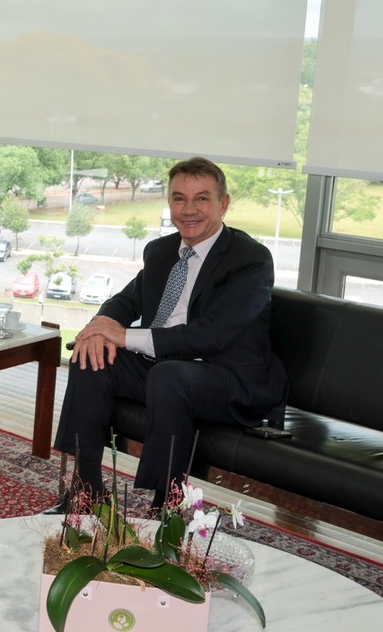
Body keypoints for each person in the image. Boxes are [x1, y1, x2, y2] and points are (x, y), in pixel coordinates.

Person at [47, 156, 288, 513]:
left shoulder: (249, 260)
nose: (189, 210)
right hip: (167, 369)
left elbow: (212, 336)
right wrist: (97, 330)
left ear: (224, 203)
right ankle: (86, 493)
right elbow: (126, 301)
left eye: (202, 198)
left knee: (169, 374)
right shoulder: (161, 252)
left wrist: (126, 337)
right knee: (90, 358)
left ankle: (167, 506)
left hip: (230, 380)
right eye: (179, 198)